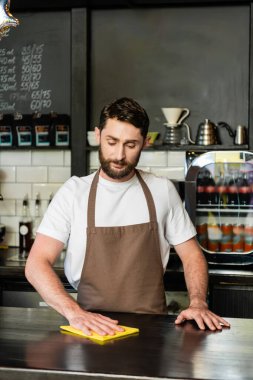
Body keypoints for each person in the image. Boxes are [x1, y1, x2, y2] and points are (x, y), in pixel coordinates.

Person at [25, 97, 230, 336]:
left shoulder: (161, 190)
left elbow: (192, 255)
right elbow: (36, 263)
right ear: (98, 135)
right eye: (112, 142)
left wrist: (198, 303)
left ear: (144, 143)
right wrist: (74, 313)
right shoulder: (74, 192)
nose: (119, 155)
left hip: (152, 329)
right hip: (90, 326)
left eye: (131, 145)